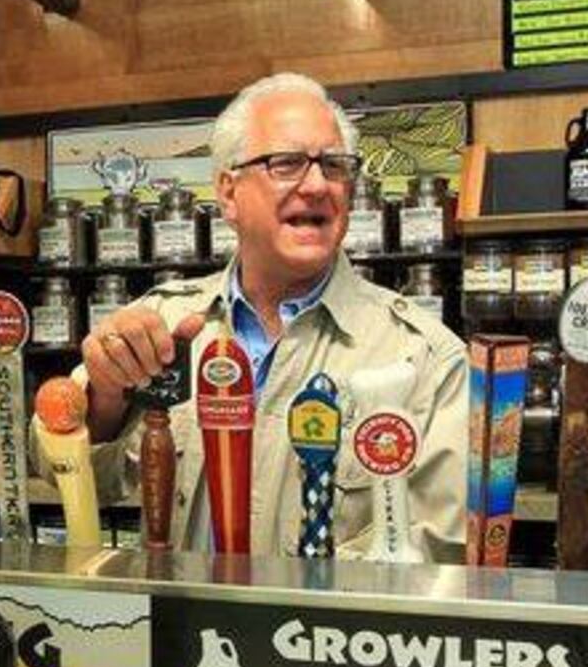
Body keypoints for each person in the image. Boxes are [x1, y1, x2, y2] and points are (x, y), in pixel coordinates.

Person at [78, 73, 467, 561]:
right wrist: (105, 397)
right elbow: (58, 469)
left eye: (334, 165)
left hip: (320, 638)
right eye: (286, 164)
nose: (318, 184)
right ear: (228, 193)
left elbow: (439, 546)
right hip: (174, 632)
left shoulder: (425, 357)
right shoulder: (160, 323)